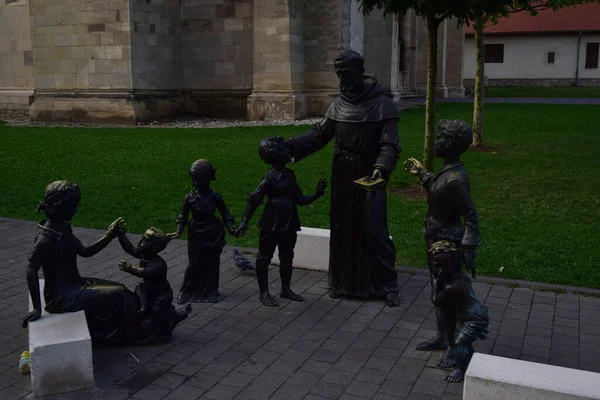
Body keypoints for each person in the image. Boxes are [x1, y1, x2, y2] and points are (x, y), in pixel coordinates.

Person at [284, 50, 401, 306]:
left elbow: (390, 145)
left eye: (345, 73)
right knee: (342, 226)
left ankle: (387, 283)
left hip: (370, 173)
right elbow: (320, 134)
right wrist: (290, 147)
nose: (341, 78)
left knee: (374, 228)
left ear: (360, 70)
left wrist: (381, 168)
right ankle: (342, 281)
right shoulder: (338, 103)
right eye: (338, 73)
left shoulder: (383, 104)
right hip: (343, 173)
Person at [22, 180, 189, 345]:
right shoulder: (47, 238)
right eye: (72, 205)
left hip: (75, 284)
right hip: (62, 297)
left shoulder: (62, 228)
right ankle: (136, 333)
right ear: (58, 205)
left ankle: (162, 321)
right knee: (118, 295)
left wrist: (110, 235)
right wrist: (37, 308)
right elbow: (31, 269)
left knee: (122, 290)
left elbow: (85, 252)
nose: (75, 211)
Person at [405, 119, 488, 383]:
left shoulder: (456, 180)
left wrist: (467, 248)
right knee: (437, 291)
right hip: (434, 240)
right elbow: (437, 187)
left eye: (440, 138)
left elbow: (471, 217)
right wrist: (423, 173)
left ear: (450, 145)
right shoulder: (448, 173)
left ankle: (454, 347)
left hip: (447, 246)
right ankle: (444, 336)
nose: (435, 142)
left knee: (449, 294)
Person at [235, 136, 328, 307]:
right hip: (271, 222)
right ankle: (264, 292)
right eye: (286, 150)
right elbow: (254, 200)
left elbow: (299, 199)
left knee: (287, 256)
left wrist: (317, 194)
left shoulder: (290, 175)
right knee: (264, 257)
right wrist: (244, 222)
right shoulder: (269, 179)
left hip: (289, 222)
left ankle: (286, 289)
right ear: (276, 155)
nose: (290, 152)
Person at [169, 159, 236, 304]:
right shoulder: (190, 198)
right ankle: (186, 291)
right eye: (193, 180)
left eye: (197, 180)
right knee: (194, 263)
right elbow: (183, 215)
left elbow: (225, 213)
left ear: (206, 179)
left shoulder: (215, 197)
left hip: (213, 233)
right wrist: (178, 231)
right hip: (196, 234)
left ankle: (211, 290)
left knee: (212, 263)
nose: (194, 183)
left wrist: (231, 228)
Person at [116, 226, 184, 332]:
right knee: (139, 291)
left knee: (157, 307)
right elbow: (129, 248)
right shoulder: (144, 255)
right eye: (142, 237)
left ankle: (151, 320)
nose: (139, 240)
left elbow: (145, 272)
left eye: (145, 240)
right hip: (147, 288)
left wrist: (130, 268)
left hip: (161, 293)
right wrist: (121, 235)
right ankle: (143, 308)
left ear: (154, 248)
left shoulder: (159, 264)